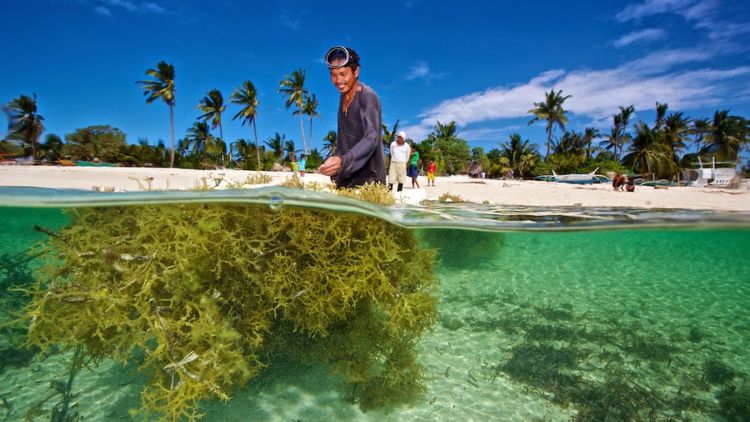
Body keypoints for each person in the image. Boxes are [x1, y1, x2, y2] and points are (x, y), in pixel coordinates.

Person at [318, 46, 386, 188]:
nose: (338, 80)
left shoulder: (367, 96)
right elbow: (343, 141)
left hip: (370, 183)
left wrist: (343, 161)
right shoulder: (342, 99)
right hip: (347, 180)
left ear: (356, 71)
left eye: (343, 74)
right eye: (333, 75)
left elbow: (371, 137)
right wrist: (334, 163)